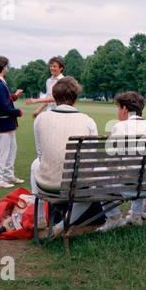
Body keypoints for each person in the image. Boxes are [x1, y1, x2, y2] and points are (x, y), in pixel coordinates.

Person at [30, 76, 100, 239]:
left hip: (48, 185)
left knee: (35, 163)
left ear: (54, 98)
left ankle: (40, 217)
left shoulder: (40, 118)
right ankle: (60, 227)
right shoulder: (88, 121)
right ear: (76, 99)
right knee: (88, 193)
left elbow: (41, 155)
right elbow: (91, 158)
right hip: (77, 187)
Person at [98, 92, 146, 231]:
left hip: (128, 188)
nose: (118, 112)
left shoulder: (119, 127)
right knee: (139, 170)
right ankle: (136, 215)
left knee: (100, 175)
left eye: (119, 108)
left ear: (125, 109)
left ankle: (114, 218)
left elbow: (110, 162)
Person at [0, 56, 24, 189]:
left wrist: (15, 96)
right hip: (3, 122)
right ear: (3, 67)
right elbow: (3, 107)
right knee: (3, 152)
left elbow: (5, 100)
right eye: (7, 65)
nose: (7, 67)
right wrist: (18, 112)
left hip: (7, 123)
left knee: (12, 150)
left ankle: (8, 176)